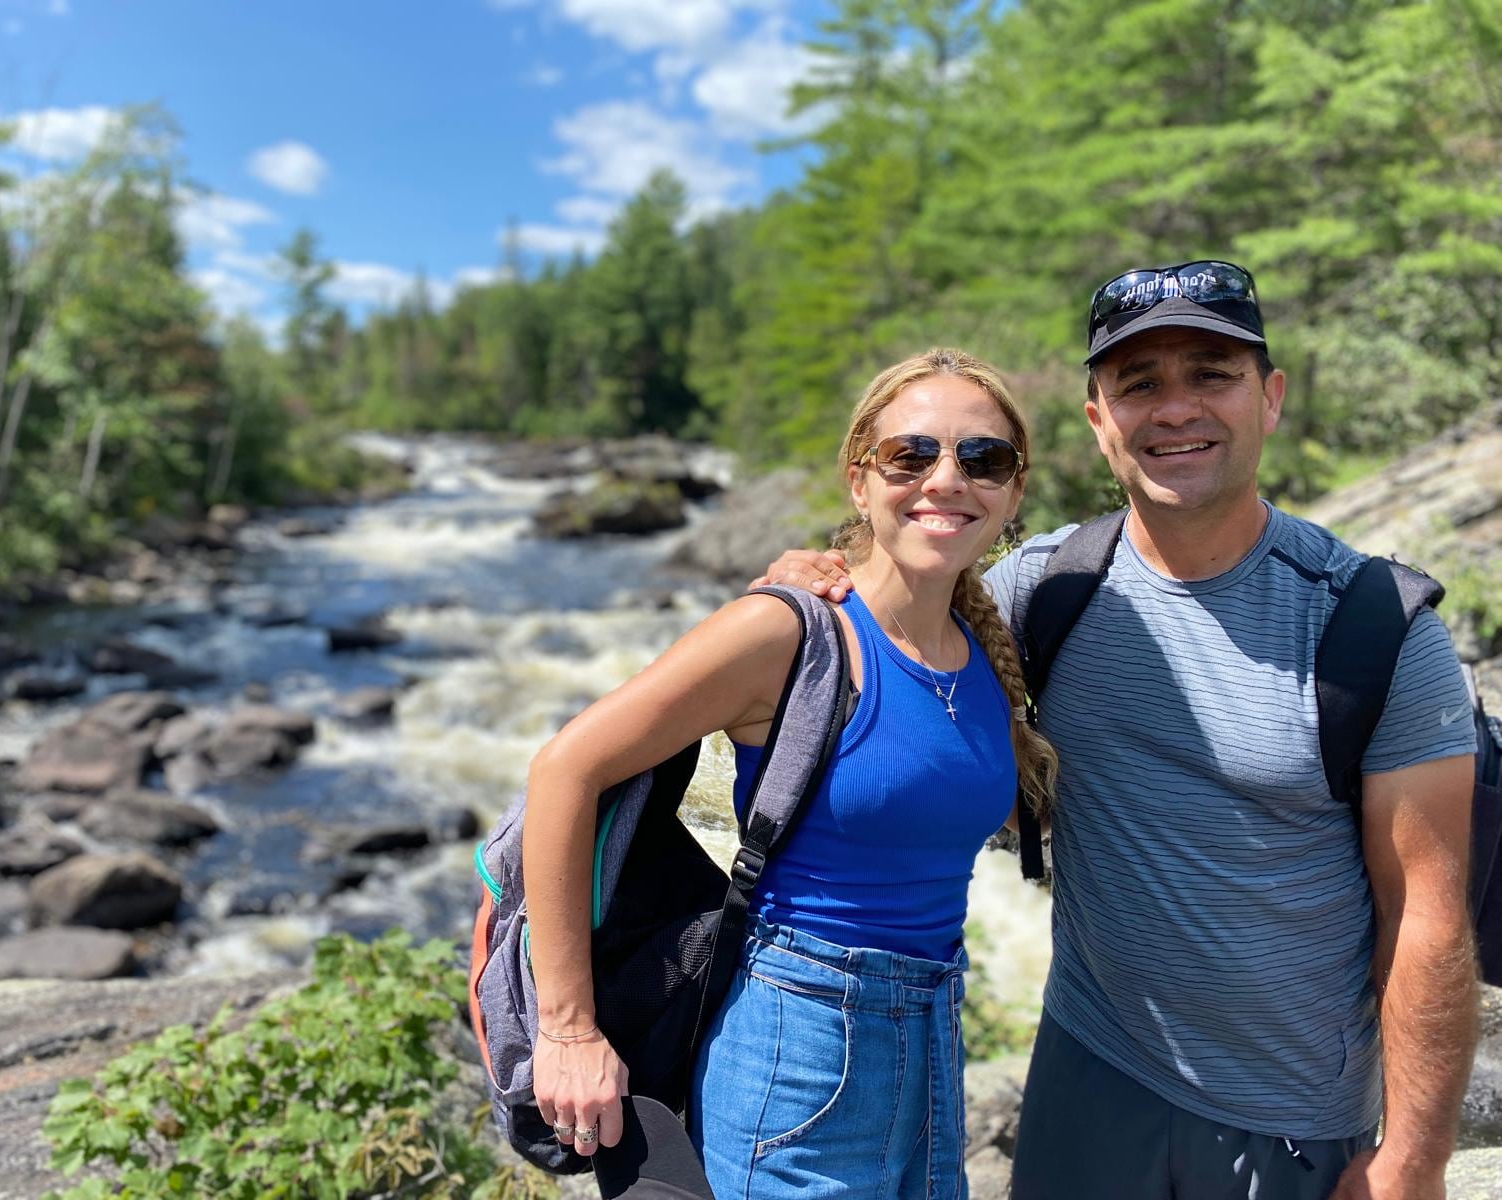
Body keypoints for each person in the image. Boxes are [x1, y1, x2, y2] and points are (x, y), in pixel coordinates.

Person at [760, 261, 1479, 1200]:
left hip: (1290, 1120)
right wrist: (811, 585)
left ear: (1270, 399)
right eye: (1139, 384)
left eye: (1211, 374)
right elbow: (900, 616)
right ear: (1100, 424)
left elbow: (1427, 916)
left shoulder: (1373, 625)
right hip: (1087, 1078)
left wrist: (1413, 1161)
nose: (1174, 408)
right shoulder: (1047, 591)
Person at [521, 348, 1058, 1199]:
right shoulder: (788, 632)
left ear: (1014, 491)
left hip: (933, 1046)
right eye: (910, 454)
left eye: (982, 458)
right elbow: (565, 771)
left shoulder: (986, 650)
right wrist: (569, 1029)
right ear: (860, 481)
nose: (946, 479)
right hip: (798, 1050)